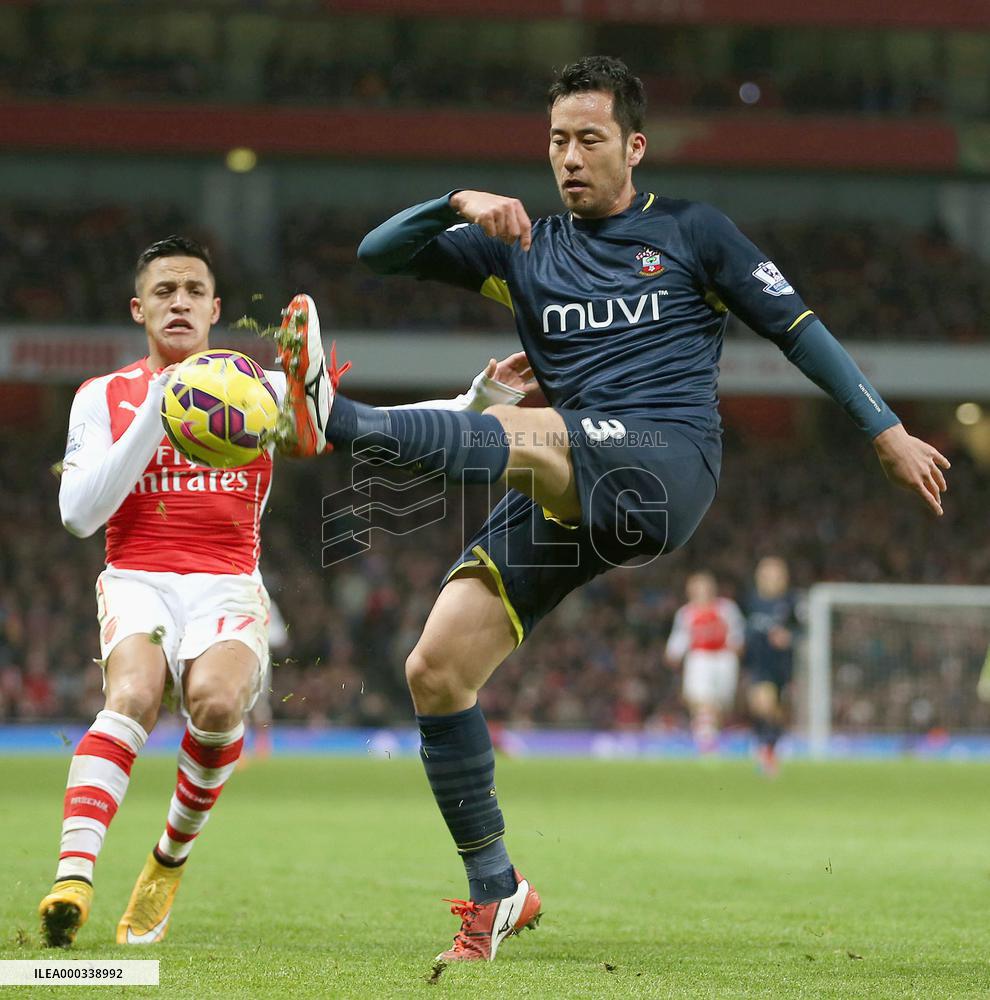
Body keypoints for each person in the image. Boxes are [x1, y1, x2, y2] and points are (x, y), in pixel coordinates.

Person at [273, 55, 950, 963]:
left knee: (532, 425)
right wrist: (453, 203)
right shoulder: (525, 249)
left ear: (633, 146)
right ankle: (499, 894)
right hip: (566, 476)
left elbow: (800, 329)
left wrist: (885, 429)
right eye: (556, 140)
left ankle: (340, 418)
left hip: (663, 468)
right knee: (434, 669)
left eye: (590, 139)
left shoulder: (693, 233)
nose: (570, 157)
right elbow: (376, 253)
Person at [38, 236, 529, 948]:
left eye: (193, 291)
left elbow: (374, 428)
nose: (179, 301)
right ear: (137, 307)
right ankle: (73, 879)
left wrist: (478, 399)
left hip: (227, 583)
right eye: (164, 290)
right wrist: (161, 405)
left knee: (214, 703)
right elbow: (80, 515)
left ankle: (168, 860)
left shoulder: (258, 389)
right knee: (133, 697)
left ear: (215, 308)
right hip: (138, 576)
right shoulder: (102, 396)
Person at [665, 572, 744, 753]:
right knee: (702, 700)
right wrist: (673, 654)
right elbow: (680, 637)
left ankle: (710, 735)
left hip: (724, 658)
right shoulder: (686, 613)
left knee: (720, 705)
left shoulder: (727, 608)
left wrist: (736, 648)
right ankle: (706, 743)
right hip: (699, 658)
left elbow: (737, 633)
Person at [744, 556, 801, 775]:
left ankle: (770, 746)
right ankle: (766, 750)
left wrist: (789, 636)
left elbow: (803, 631)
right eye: (766, 575)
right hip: (759, 665)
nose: (770, 580)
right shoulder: (750, 601)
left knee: (777, 711)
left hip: (784, 667)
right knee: (762, 705)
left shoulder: (791, 601)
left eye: (775, 575)